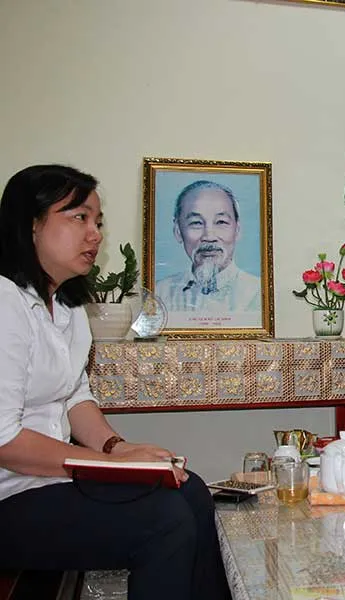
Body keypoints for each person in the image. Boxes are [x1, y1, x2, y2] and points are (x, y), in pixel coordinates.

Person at [0, 165, 232, 600]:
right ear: (31, 224)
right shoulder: (5, 302)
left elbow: (76, 398)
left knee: (192, 491)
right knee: (165, 520)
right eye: (79, 217)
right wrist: (108, 466)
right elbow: (5, 442)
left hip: (49, 483)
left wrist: (116, 448)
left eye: (98, 222)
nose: (95, 235)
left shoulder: (67, 308)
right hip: (10, 495)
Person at [155, 180, 261, 315]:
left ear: (237, 230)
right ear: (178, 231)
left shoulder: (258, 293)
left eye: (221, 222)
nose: (209, 237)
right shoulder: (159, 294)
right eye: (196, 223)